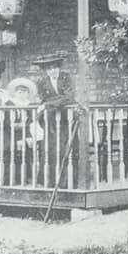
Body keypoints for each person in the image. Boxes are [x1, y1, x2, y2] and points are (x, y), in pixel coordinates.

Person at [31, 53, 77, 188]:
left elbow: (69, 97)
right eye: (50, 69)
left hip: (66, 120)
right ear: (46, 70)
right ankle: (48, 180)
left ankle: (67, 181)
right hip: (50, 120)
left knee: (66, 148)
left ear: (59, 68)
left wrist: (48, 105)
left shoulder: (67, 78)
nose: (53, 71)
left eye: (55, 67)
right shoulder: (42, 82)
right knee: (49, 149)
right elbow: (42, 98)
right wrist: (52, 103)